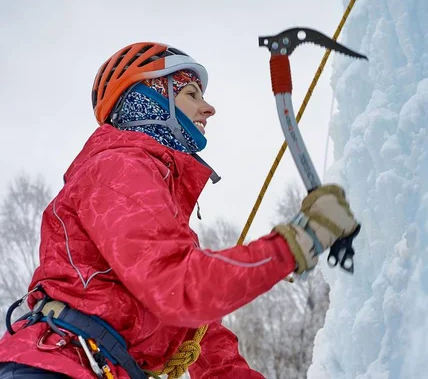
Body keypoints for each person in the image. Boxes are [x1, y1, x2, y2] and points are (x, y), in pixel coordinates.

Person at [0, 42, 358, 378]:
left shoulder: (158, 204)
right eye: (191, 94)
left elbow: (209, 346)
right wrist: (298, 241)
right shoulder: (118, 170)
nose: (209, 108)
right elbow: (179, 287)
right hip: (50, 366)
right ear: (149, 101)